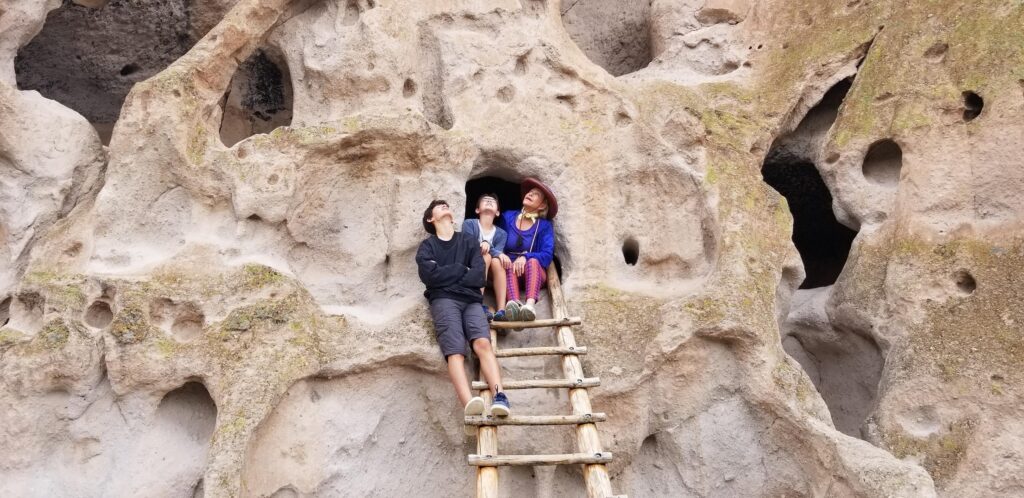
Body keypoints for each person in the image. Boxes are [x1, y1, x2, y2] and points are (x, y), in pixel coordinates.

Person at [415, 199, 511, 421]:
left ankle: (500, 396)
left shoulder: (468, 241)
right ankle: (469, 403)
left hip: (471, 300)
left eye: (447, 205)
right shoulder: (427, 247)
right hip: (444, 300)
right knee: (456, 351)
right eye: (439, 206)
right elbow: (429, 276)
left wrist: (448, 274)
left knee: (482, 343)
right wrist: (461, 269)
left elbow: (478, 275)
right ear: (431, 218)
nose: (445, 206)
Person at [499, 178, 557, 322]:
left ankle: (529, 306)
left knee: (532, 262)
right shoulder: (507, 217)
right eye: (529, 192)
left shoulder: (544, 226)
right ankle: (514, 305)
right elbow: (497, 241)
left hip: (533, 272)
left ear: (542, 205)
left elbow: (547, 255)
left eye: (535, 194)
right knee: (506, 264)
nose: (529, 194)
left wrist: (526, 256)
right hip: (510, 270)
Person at [461, 193, 509, 321]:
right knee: (486, 256)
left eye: (492, 201)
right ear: (477, 210)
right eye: (485, 200)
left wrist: (490, 247)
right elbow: (469, 245)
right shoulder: (469, 224)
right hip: (470, 268)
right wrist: (485, 245)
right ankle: (478, 303)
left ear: (498, 212)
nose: (489, 201)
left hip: (490, 274)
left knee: (496, 261)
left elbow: (497, 252)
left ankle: (501, 310)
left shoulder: (501, 233)